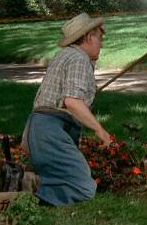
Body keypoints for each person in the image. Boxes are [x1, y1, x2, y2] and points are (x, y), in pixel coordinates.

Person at [22, 13, 112, 206]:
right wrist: (100, 130)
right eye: (99, 37)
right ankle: (31, 196)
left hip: (42, 128)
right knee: (83, 188)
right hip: (50, 131)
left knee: (64, 177)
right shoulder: (78, 59)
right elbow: (72, 102)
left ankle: (29, 187)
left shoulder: (68, 55)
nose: (101, 44)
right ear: (88, 37)